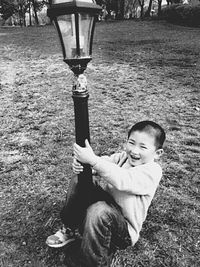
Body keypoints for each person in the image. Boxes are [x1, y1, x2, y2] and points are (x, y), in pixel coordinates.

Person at [46, 120, 166, 267]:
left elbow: (124, 180)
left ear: (158, 153)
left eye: (143, 147)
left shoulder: (152, 171)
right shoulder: (123, 157)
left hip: (123, 230)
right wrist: (84, 165)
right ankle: (69, 229)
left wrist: (93, 161)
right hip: (104, 210)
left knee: (100, 211)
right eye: (131, 142)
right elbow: (103, 163)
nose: (134, 151)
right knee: (80, 179)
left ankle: (94, 263)